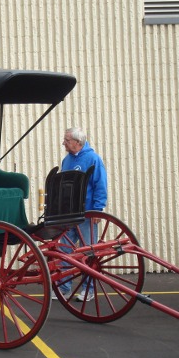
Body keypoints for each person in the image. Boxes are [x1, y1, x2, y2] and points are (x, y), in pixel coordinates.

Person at [55, 126, 108, 302]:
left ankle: (88, 290)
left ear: (78, 142)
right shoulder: (66, 160)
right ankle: (64, 288)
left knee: (88, 252)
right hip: (69, 214)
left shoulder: (93, 159)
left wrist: (97, 209)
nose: (63, 143)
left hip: (87, 214)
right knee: (64, 251)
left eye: (67, 140)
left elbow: (100, 185)